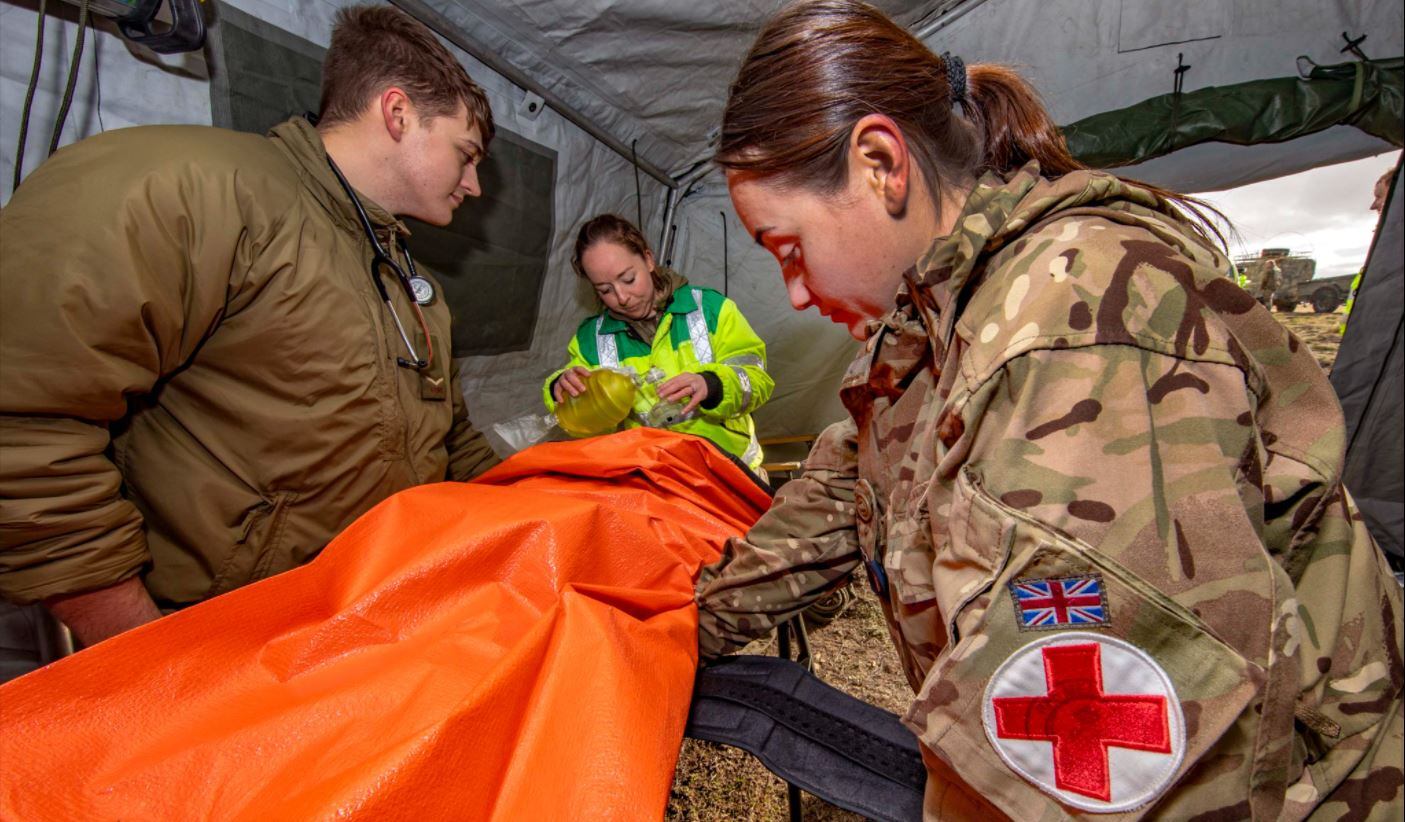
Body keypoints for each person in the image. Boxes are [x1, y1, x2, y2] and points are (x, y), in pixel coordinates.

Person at [696, 1, 1403, 818]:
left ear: (880, 163)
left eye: (789, 248)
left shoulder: (1073, 332)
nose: (793, 290)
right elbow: (840, 489)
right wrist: (681, 632)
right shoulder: (936, 320)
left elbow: (1113, 746)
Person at [0, 5, 501, 648]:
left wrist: (540, 503)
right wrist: (144, 655)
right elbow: (25, 424)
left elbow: (452, 440)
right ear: (398, 113)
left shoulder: (408, 282)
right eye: (466, 155)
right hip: (217, 637)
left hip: (355, 623)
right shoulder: (195, 192)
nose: (476, 185)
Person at [544, 214, 773, 473]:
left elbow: (756, 380)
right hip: (652, 482)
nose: (622, 297)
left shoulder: (711, 310)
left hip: (729, 474)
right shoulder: (590, 340)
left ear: (649, 259)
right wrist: (560, 389)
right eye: (604, 290)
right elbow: (585, 419)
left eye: (628, 279)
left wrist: (712, 385)